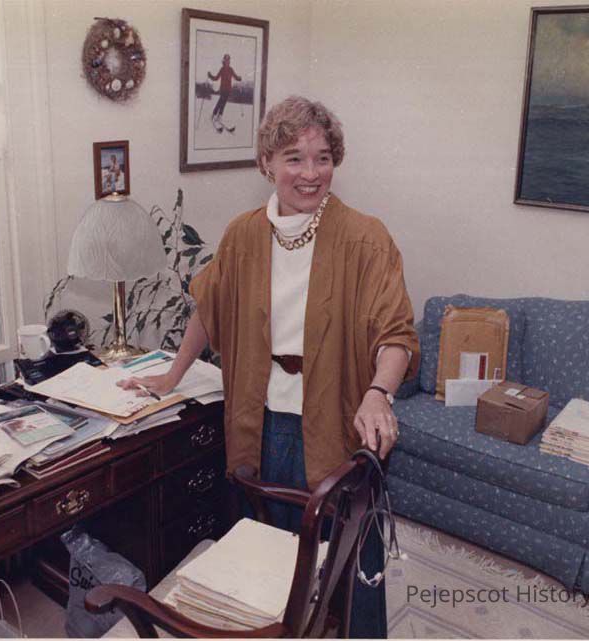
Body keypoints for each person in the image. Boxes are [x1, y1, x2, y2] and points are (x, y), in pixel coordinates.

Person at [118, 95, 419, 637]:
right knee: (270, 560)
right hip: (263, 421)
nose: (310, 173)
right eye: (294, 158)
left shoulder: (365, 238)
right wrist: (171, 376)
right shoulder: (244, 235)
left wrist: (379, 393)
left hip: (336, 419)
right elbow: (209, 307)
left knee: (346, 558)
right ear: (267, 163)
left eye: (322, 158)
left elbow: (394, 333)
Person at [207, 54, 241, 130]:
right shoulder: (222, 69)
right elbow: (216, 78)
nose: (227, 61)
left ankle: (219, 116)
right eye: (226, 60)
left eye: (228, 60)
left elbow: (235, 76)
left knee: (224, 103)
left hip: (228, 90)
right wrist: (210, 76)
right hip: (223, 89)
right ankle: (214, 114)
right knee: (220, 101)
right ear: (224, 61)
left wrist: (239, 78)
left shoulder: (231, 69)